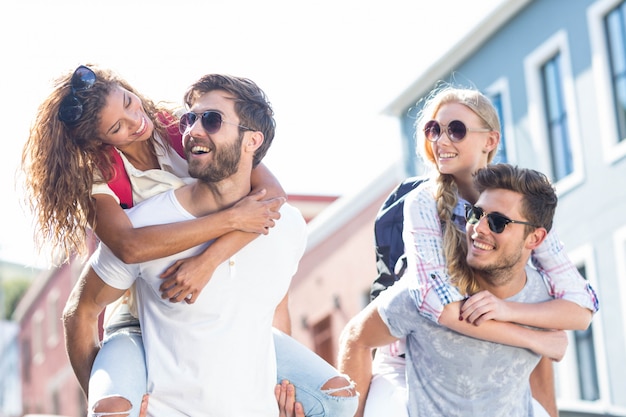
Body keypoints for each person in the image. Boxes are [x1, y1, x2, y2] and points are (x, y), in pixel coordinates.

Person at [25, 66, 357, 416]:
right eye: (117, 127)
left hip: (209, 304)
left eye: (128, 102)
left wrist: (208, 261)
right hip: (139, 313)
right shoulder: (100, 175)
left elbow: (271, 197)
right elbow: (128, 246)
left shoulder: (180, 129)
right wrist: (107, 393)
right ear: (99, 141)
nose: (134, 120)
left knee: (338, 399)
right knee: (112, 408)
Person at [342, 85, 598, 417]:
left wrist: (512, 315)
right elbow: (435, 305)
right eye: (434, 130)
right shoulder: (421, 202)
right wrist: (535, 338)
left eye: (456, 130)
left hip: (486, 354)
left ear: (490, 141)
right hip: (413, 357)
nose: (441, 141)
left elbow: (581, 305)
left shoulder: (515, 202)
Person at [339, 164, 575, 416]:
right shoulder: (430, 293)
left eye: (498, 222)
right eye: (475, 214)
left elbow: (540, 372)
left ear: (535, 239)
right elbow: (355, 337)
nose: (479, 228)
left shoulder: (542, 298)